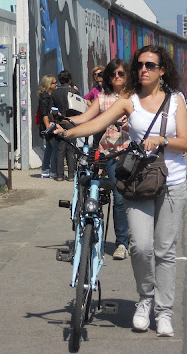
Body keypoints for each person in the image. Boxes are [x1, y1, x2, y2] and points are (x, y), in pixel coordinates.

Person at [55, 45, 187, 337]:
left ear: (162, 70)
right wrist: (64, 131)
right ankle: (145, 300)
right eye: (140, 65)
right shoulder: (129, 99)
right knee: (141, 248)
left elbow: (186, 142)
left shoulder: (176, 100)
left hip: (172, 182)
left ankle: (163, 312)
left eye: (150, 66)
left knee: (164, 251)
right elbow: (96, 122)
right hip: (138, 181)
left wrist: (161, 141)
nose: (143, 70)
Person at [67, 59, 130, 260]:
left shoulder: (135, 98)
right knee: (118, 198)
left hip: (133, 153)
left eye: (120, 73)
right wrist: (63, 122)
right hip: (111, 154)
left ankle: (137, 237)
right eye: (113, 74)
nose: (116, 77)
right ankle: (122, 243)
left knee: (137, 197)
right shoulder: (103, 98)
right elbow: (86, 118)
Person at [52, 70, 81, 181]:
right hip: (72, 121)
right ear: (69, 79)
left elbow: (52, 108)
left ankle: (59, 175)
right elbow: (79, 108)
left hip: (60, 122)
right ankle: (70, 175)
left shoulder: (55, 92)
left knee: (60, 150)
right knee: (71, 149)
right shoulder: (74, 92)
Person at [38, 75, 58, 178]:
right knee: (54, 147)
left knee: (49, 147)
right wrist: (47, 128)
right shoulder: (44, 97)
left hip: (51, 124)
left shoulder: (51, 95)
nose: (56, 84)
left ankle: (45, 169)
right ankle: (52, 170)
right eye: (54, 83)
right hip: (48, 125)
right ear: (49, 85)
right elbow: (44, 113)